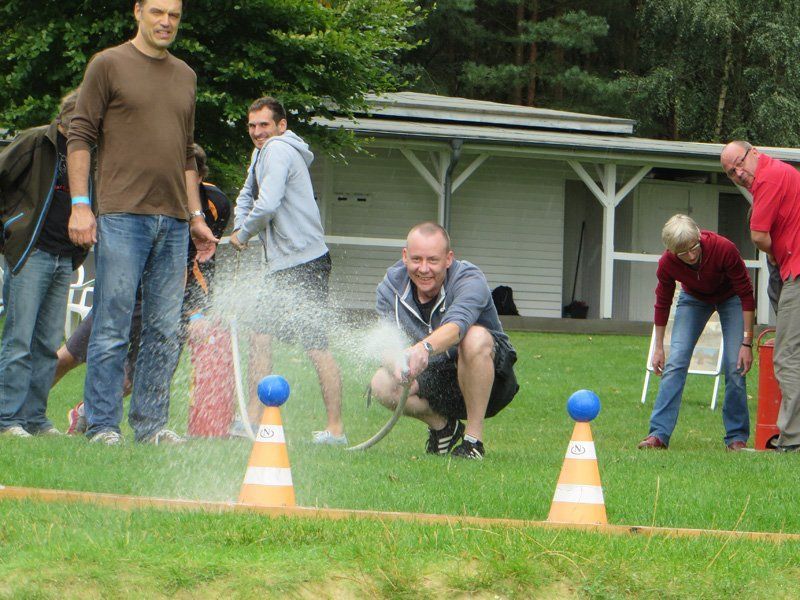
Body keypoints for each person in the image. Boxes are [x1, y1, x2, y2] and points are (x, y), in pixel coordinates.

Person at [66, 0, 218, 446]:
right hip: (120, 216)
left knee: (164, 329)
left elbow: (186, 153)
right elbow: (80, 136)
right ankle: (102, 425)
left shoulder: (186, 75)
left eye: (173, 14)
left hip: (172, 223)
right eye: (157, 12)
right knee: (112, 323)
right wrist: (80, 204)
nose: (166, 21)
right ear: (138, 11)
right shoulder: (108, 64)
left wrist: (195, 216)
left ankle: (150, 426)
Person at [57, 144, 231, 435]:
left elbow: (202, 264)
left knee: (137, 376)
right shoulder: (152, 198)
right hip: (130, 293)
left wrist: (197, 310)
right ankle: (25, 407)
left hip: (170, 302)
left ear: (198, 178)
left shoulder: (216, 204)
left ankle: (85, 413)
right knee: (71, 355)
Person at [229, 96, 345, 444]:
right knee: (260, 337)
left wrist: (244, 232)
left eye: (264, 125)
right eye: (252, 126)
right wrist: (240, 227)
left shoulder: (279, 149)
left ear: (281, 126)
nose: (257, 132)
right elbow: (247, 197)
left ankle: (335, 429)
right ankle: (251, 420)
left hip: (305, 261)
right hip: (279, 265)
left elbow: (268, 203)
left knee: (315, 345)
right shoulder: (259, 154)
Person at [369, 222, 519, 459]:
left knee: (475, 337)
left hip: (491, 381)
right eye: (416, 259)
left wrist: (423, 348)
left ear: (448, 259)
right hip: (435, 375)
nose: (424, 269)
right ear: (405, 256)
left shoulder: (469, 279)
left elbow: (456, 327)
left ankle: (473, 442)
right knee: (380, 383)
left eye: (433, 260)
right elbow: (385, 342)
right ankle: (444, 427)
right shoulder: (389, 288)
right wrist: (396, 364)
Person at [0, 89, 93, 437]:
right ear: (69, 115)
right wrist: (9, 231)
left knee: (47, 344)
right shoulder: (35, 141)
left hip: (65, 256)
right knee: (19, 340)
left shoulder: (89, 154)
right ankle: (6, 418)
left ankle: (35, 419)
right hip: (31, 253)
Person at [637, 214, 754, 451]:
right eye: (683, 253)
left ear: (699, 235)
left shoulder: (723, 248)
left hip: (731, 298)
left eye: (693, 248)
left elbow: (746, 294)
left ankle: (736, 438)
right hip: (693, 299)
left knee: (735, 367)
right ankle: (658, 434)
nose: (690, 256)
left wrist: (746, 342)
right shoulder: (667, 263)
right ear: (671, 251)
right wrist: (659, 347)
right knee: (676, 362)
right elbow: (662, 302)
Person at [721, 141, 800, 452]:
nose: (738, 173)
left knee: (786, 356)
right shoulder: (782, 173)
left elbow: (757, 235)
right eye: (731, 173)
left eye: (739, 163)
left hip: (797, 271)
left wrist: (777, 256)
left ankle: (793, 441)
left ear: (753, 152)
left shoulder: (767, 178)